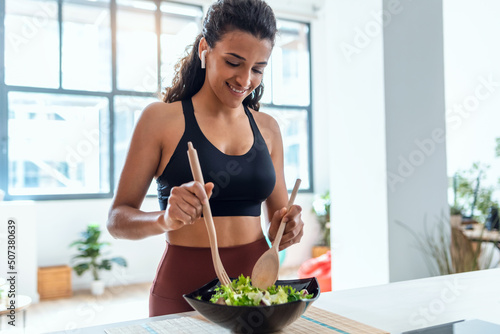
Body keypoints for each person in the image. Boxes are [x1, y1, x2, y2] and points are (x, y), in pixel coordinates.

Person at [107, 0, 304, 316]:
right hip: (181, 291)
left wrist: (288, 228)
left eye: (257, 69)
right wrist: (165, 219)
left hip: (256, 289)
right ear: (204, 49)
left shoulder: (268, 128)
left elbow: (277, 226)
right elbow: (117, 220)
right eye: (233, 62)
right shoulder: (160, 120)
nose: (244, 80)